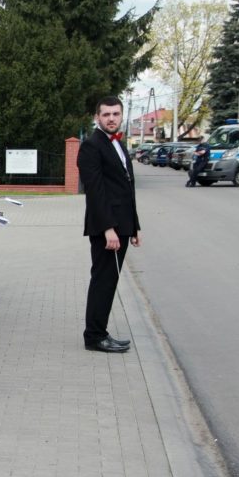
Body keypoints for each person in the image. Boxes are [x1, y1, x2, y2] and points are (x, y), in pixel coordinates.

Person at [78, 97, 140, 353]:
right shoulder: (91, 146)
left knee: (109, 281)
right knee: (103, 281)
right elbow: (95, 191)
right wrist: (108, 228)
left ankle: (99, 332)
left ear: (122, 115)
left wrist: (134, 226)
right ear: (97, 118)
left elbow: (127, 187)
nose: (111, 118)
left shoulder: (118, 144)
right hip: (107, 227)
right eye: (106, 114)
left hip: (122, 224)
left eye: (115, 114)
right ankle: (94, 336)